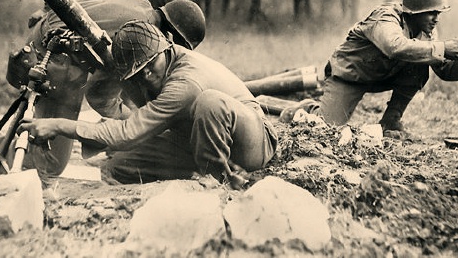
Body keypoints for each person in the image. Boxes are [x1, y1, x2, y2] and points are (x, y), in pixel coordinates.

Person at [0, 0, 206, 181]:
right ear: (170, 36)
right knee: (49, 162)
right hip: (55, 63)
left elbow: (81, 9)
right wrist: (130, 119)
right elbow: (99, 95)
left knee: (39, 145)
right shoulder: (136, 38)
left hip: (48, 43)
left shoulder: (140, 3)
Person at [19, 21, 277, 188]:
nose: (147, 76)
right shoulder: (154, 69)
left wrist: (58, 124)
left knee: (209, 102)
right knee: (119, 167)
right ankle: (208, 171)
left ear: (166, 46)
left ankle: (220, 184)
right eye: (137, 73)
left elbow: (127, 133)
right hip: (197, 139)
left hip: (252, 142)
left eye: (150, 66)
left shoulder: (185, 81)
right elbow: (103, 98)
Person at [308, 0, 458, 138]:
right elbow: (394, 47)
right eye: (432, 12)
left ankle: (391, 120)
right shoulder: (385, 18)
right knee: (325, 128)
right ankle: (307, 109)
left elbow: (444, 70)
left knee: (422, 62)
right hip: (350, 76)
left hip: (381, 76)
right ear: (414, 11)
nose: (436, 18)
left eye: (438, 13)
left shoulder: (427, 33)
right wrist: (443, 48)